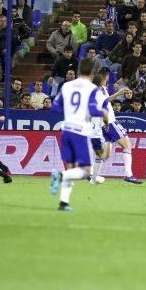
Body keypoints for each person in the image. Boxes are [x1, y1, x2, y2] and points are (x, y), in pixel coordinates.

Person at [49, 58, 107, 211]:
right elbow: (94, 111)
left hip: (66, 130)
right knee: (85, 171)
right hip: (80, 133)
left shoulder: (67, 86)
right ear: (93, 72)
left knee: (71, 168)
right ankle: (60, 176)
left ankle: (64, 202)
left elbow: (54, 108)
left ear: (79, 70)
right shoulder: (91, 89)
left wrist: (70, 110)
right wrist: (104, 111)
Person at [88, 68, 142, 185]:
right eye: (106, 78)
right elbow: (105, 101)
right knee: (127, 145)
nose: (107, 80)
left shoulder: (101, 89)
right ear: (102, 79)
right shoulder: (96, 92)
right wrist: (118, 93)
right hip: (109, 122)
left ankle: (93, 177)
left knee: (104, 155)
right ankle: (129, 175)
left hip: (101, 125)